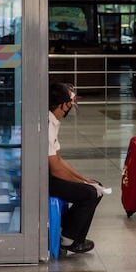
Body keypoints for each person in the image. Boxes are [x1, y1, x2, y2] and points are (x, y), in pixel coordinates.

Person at [48, 82, 104, 255]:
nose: (71, 107)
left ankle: (68, 232)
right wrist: (84, 183)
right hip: (42, 179)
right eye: (70, 102)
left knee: (95, 187)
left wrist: (84, 179)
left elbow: (58, 160)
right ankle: (70, 240)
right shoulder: (47, 124)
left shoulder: (52, 121)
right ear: (63, 104)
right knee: (90, 193)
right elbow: (56, 169)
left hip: (47, 174)